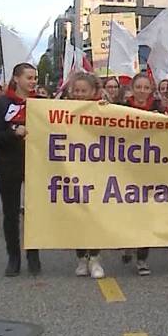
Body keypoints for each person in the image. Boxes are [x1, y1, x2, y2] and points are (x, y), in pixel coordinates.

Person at [0, 63, 40, 277]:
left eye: (35, 78)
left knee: (34, 212)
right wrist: (14, 132)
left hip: (36, 163)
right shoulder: (3, 103)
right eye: (29, 77)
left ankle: (33, 255)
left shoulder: (40, 103)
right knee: (11, 214)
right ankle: (13, 257)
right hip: (9, 163)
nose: (32, 82)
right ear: (16, 78)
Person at [67, 73, 107, 280]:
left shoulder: (102, 110)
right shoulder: (61, 110)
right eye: (77, 91)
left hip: (96, 170)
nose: (80, 95)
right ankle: (81, 257)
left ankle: (95, 258)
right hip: (71, 171)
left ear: (93, 92)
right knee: (78, 215)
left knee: (94, 215)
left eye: (84, 91)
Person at [122, 73, 160, 275]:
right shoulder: (122, 107)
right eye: (139, 87)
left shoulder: (159, 109)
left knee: (147, 212)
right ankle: (129, 244)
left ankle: (142, 258)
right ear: (132, 88)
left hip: (150, 168)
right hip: (126, 167)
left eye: (146, 88)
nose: (142, 91)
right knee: (128, 211)